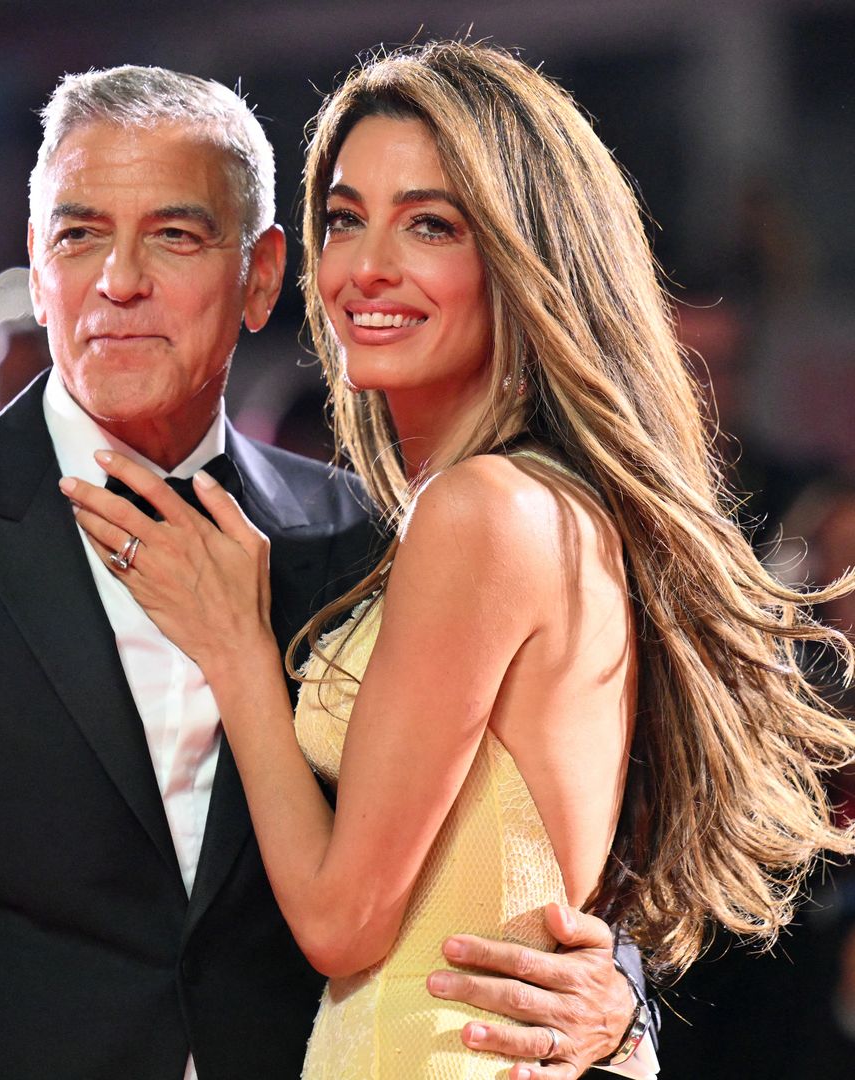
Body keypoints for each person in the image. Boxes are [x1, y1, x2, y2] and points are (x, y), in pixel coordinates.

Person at [0, 63, 650, 1080]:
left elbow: (517, 840)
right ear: (35, 258)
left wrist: (616, 1001)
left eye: (176, 236)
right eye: (79, 234)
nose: (119, 280)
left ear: (264, 276)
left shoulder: (366, 542)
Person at [61, 42, 855, 1079]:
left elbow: (345, 922)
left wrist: (238, 651)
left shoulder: (482, 510)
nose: (366, 267)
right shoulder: (528, 507)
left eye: (430, 223)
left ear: (522, 254)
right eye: (345, 218)